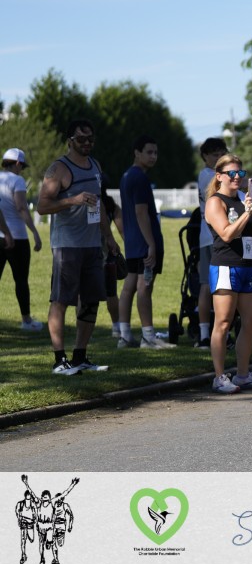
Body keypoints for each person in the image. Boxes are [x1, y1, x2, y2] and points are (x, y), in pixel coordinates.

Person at [37, 119, 119, 375]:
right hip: (67, 245)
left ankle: (80, 356)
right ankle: (59, 360)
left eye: (90, 139)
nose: (87, 143)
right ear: (69, 141)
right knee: (61, 300)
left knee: (91, 301)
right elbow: (42, 206)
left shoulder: (95, 165)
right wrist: (73, 200)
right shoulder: (58, 169)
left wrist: (109, 237)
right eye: (81, 139)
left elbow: (99, 205)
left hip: (92, 244)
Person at [204, 154, 252, 393]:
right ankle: (219, 377)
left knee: (251, 321)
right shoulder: (215, 202)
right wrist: (247, 213)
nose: (237, 177)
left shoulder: (244, 199)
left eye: (240, 173)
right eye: (231, 173)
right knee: (223, 322)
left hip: (249, 266)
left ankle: (242, 374)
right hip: (226, 266)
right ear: (219, 176)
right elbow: (226, 234)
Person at [118, 135, 172, 349]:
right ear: (137, 153)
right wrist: (151, 244)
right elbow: (141, 212)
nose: (153, 156)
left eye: (155, 152)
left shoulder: (126, 175)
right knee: (144, 287)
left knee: (129, 287)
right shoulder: (139, 177)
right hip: (143, 244)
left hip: (132, 244)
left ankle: (124, 336)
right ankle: (148, 337)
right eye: (149, 152)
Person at [0, 147, 44, 330]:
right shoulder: (17, 180)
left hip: (0, 235)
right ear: (18, 163)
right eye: (22, 167)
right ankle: (26, 321)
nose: (22, 170)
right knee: (21, 280)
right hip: (17, 237)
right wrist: (34, 231)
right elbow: (21, 207)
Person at [195, 137, 228, 348]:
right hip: (211, 237)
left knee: (212, 286)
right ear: (205, 156)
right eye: (215, 155)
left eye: (222, 154)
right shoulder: (208, 175)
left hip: (211, 236)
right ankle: (206, 332)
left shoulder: (210, 174)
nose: (219, 158)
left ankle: (210, 332)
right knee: (210, 286)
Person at [22, 475, 77, 564]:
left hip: (49, 526)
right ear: (42, 497)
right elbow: (32, 493)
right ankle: (42, 558)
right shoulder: (38, 502)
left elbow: (64, 494)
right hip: (40, 526)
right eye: (43, 496)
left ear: (49, 497)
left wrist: (72, 484)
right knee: (41, 544)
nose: (45, 498)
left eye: (46, 496)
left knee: (50, 541)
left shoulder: (53, 502)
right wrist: (26, 483)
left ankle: (49, 542)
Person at [100, 183, 125, 339]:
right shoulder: (111, 205)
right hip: (107, 252)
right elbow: (122, 230)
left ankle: (82, 325)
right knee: (111, 293)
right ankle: (116, 326)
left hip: (87, 251)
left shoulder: (86, 201)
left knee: (84, 292)